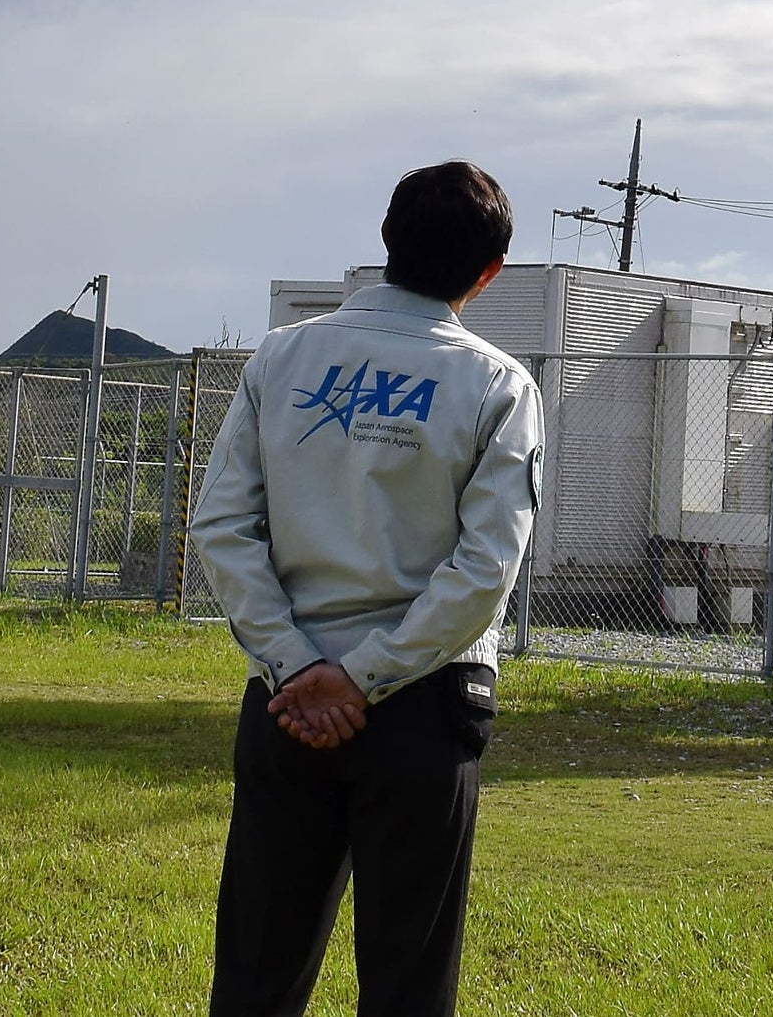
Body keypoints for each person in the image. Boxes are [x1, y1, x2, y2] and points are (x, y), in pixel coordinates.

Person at [191, 162, 544, 1017]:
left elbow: (222, 527)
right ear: (488, 273)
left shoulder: (283, 357)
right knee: (407, 982)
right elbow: (484, 570)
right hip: (426, 703)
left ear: (385, 239)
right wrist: (368, 676)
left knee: (256, 973)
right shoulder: (497, 386)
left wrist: (296, 664)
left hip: (286, 701)